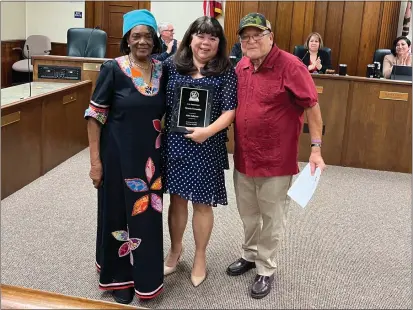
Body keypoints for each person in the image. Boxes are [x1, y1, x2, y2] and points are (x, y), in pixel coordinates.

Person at [226, 13, 326, 299]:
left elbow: (312, 107)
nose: (251, 41)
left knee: (272, 216)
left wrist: (316, 148)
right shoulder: (242, 66)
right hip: (245, 158)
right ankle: (249, 254)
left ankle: (266, 268)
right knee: (248, 214)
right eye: (245, 37)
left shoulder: (291, 66)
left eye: (257, 35)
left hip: (276, 161)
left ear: (271, 37)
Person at [84, 9, 165, 304]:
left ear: (155, 40)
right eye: (136, 36)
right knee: (117, 215)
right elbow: (94, 116)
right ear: (127, 40)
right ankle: (118, 277)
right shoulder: (113, 69)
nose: (143, 41)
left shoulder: (162, 69)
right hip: (117, 157)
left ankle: (147, 275)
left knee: (146, 216)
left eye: (148, 36)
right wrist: (95, 162)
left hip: (150, 161)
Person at [161, 16, 237, 287]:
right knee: (178, 201)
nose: (205, 42)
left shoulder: (225, 70)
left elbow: (230, 110)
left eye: (212, 38)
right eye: (200, 36)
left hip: (208, 145)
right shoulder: (171, 65)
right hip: (176, 144)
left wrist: (207, 132)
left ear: (219, 43)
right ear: (190, 38)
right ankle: (175, 250)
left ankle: (200, 257)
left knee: (203, 204)